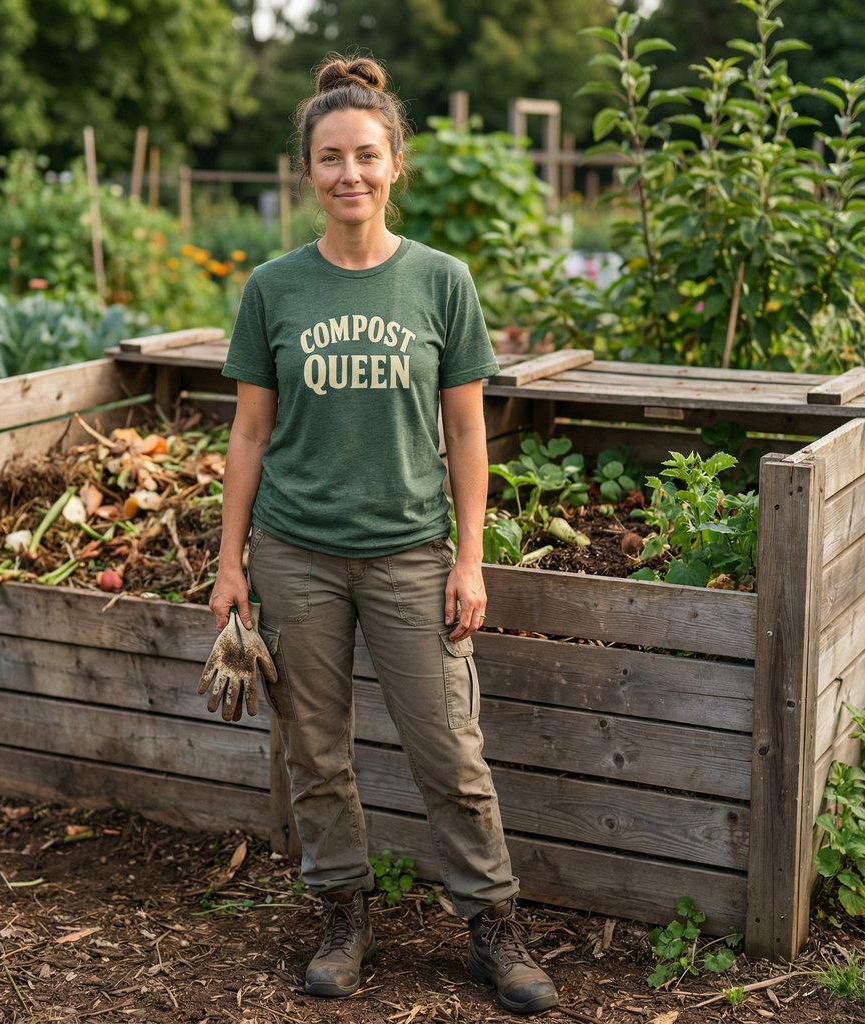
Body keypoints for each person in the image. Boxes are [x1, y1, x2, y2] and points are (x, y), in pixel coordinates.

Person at [209, 54, 559, 1017]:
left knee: (449, 750)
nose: (349, 174)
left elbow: (464, 431)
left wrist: (472, 557)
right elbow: (248, 432)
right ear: (308, 171)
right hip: (296, 553)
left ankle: (493, 926)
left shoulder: (440, 283)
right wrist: (230, 563)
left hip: (411, 555)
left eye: (367, 155)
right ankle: (343, 916)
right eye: (330, 158)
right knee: (314, 751)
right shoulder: (275, 288)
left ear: (395, 163)